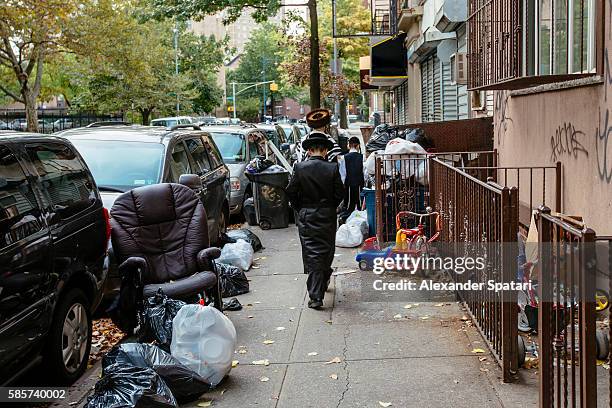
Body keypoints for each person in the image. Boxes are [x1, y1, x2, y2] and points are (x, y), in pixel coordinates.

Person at [286, 131, 344, 309]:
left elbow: (290, 192)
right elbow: (340, 194)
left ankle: (316, 295)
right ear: (325, 151)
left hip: (307, 215)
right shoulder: (332, 168)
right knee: (326, 250)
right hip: (327, 216)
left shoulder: (300, 168)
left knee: (311, 252)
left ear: (309, 151)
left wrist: (300, 208)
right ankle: (322, 281)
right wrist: (330, 207)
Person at [341, 136, 364, 222]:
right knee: (360, 204)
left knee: (348, 205)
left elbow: (343, 174)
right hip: (359, 184)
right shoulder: (362, 157)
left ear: (349, 145)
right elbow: (364, 172)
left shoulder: (344, 157)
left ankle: (345, 220)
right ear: (358, 146)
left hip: (349, 184)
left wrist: (343, 185)